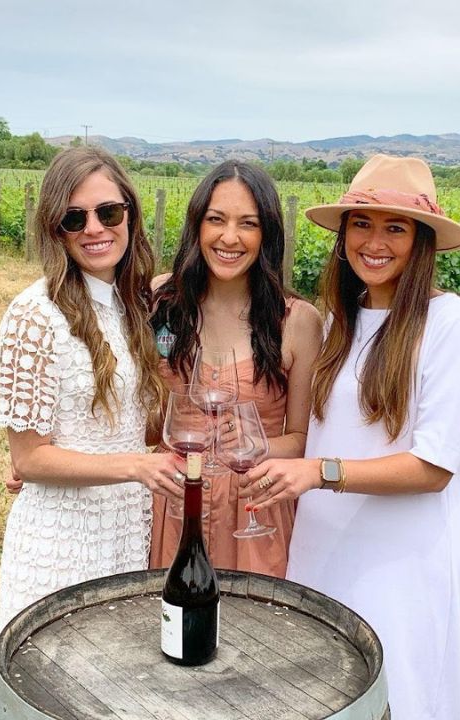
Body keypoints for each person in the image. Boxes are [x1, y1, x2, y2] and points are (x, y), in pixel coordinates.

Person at [241, 154, 460, 720]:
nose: (374, 242)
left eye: (395, 227)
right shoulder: (338, 323)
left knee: (394, 698)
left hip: (402, 564)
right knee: (323, 694)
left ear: (422, 240)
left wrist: (321, 472)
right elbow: (306, 433)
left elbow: (433, 468)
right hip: (322, 551)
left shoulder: (453, 328)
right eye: (362, 223)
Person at [0, 147, 183, 636]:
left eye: (109, 212)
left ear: (130, 214)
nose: (95, 229)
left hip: (127, 530)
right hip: (61, 540)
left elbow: (130, 422)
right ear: (55, 229)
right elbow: (31, 459)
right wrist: (136, 466)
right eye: (74, 218)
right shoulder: (33, 316)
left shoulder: (137, 304)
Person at [147, 160, 323, 577]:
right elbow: (136, 412)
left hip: (253, 514)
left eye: (248, 223)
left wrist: (255, 442)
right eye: (216, 220)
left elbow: (302, 441)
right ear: (197, 226)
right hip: (173, 507)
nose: (230, 237)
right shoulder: (161, 299)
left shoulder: (298, 321)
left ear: (267, 234)